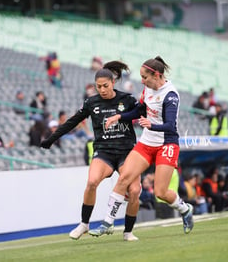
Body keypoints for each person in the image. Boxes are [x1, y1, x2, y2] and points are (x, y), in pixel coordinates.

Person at [88, 56, 194, 237]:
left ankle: (185, 209)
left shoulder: (170, 95)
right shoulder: (148, 89)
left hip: (166, 144)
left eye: (145, 77)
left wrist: (151, 125)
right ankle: (107, 223)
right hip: (146, 142)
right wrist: (118, 117)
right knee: (124, 179)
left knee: (160, 192)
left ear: (157, 75)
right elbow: (139, 110)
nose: (142, 81)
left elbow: (170, 126)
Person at [40, 61, 142, 241]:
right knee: (92, 182)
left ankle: (128, 232)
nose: (102, 90)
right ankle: (84, 224)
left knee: (134, 191)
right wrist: (52, 139)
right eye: (98, 87)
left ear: (113, 82)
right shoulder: (91, 102)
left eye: (105, 86)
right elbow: (72, 122)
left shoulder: (127, 99)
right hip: (104, 151)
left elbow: (143, 113)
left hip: (127, 152)